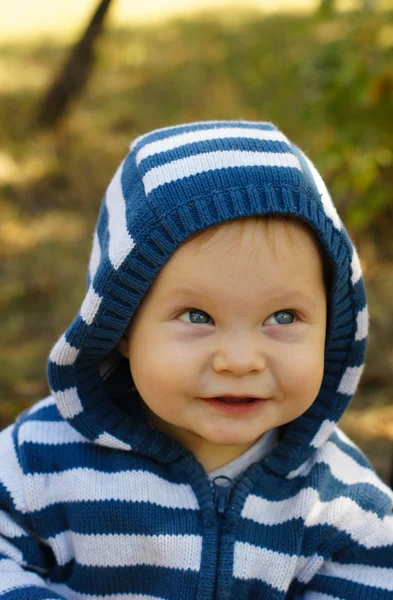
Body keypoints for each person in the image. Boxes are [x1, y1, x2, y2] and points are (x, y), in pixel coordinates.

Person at [0, 120, 392, 600]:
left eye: (283, 316)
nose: (240, 360)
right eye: (197, 315)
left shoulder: (345, 506)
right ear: (121, 328)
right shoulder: (39, 461)